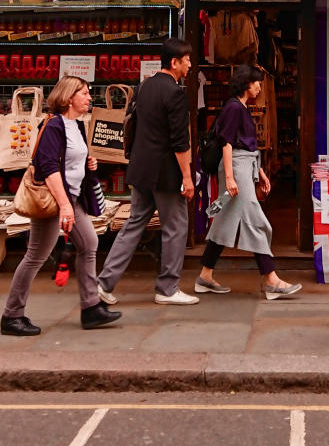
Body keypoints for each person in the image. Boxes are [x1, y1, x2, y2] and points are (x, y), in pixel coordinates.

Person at [0, 76, 121, 336]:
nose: (90, 98)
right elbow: (48, 167)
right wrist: (65, 206)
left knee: (89, 243)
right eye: (85, 93)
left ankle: (91, 309)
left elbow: (69, 160)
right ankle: (12, 315)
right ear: (68, 97)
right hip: (53, 201)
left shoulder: (76, 125)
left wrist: (89, 164)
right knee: (36, 256)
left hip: (71, 198)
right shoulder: (53, 125)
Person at [97, 37, 198, 307]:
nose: (190, 63)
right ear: (174, 62)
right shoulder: (176, 93)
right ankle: (167, 288)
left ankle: (104, 283)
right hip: (166, 173)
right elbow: (180, 141)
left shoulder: (144, 86)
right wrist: (187, 177)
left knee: (133, 225)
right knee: (176, 228)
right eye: (186, 59)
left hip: (140, 169)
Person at [195, 63, 302, 300]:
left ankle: (205, 275)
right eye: (258, 83)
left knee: (224, 221)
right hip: (236, 169)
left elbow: (248, 147)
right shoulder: (234, 108)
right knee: (256, 221)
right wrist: (232, 178)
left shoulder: (240, 107)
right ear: (246, 84)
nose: (260, 88)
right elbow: (227, 143)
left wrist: (260, 172)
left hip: (244, 167)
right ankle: (271, 280)